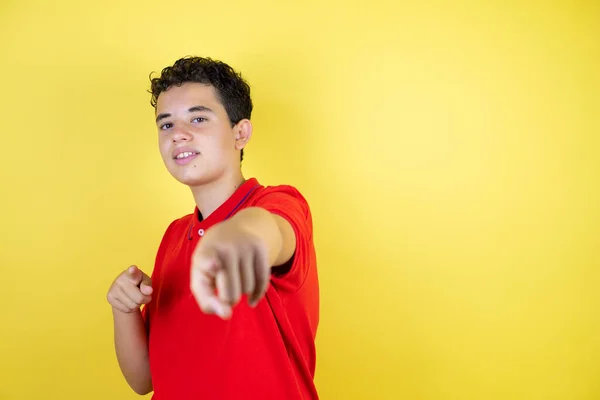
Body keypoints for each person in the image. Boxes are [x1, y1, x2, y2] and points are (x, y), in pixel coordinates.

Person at [106, 56, 320, 399]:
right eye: (166, 125)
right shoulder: (174, 237)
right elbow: (144, 380)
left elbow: (270, 232)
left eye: (199, 118)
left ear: (240, 133)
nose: (179, 135)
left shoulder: (276, 204)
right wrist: (124, 308)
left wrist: (241, 235)